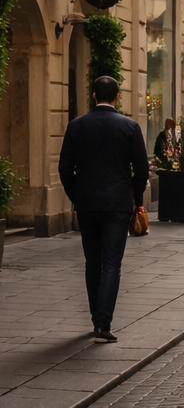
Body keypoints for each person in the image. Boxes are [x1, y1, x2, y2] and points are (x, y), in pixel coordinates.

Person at [58, 76, 149, 343]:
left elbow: (65, 169)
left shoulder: (76, 126)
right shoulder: (130, 127)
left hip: (87, 203)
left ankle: (96, 318)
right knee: (111, 263)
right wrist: (136, 198)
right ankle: (103, 323)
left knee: (92, 262)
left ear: (94, 96)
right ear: (117, 97)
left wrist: (77, 195)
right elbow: (141, 169)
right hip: (118, 204)